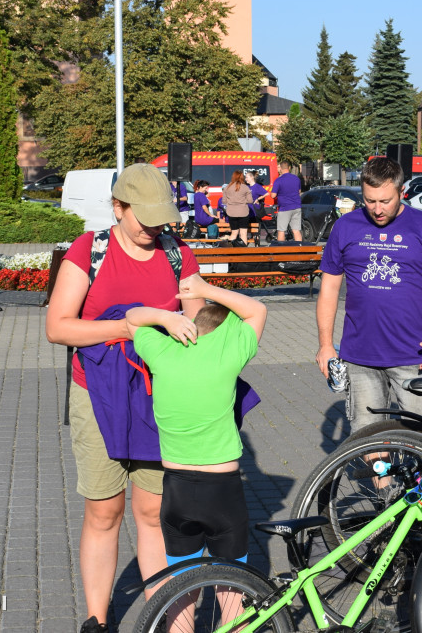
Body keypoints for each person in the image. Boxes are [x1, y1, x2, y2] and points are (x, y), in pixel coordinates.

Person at [45, 163, 204, 633]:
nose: (154, 228)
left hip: (159, 396)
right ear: (118, 207)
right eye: (144, 218)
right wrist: (128, 326)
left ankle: (162, 619)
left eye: (161, 219)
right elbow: (59, 327)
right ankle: (96, 619)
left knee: (154, 511)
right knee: (104, 509)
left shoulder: (177, 254)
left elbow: (198, 326)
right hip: (98, 396)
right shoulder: (89, 250)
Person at [127, 274, 266, 575]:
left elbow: (132, 318)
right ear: (225, 332)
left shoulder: (163, 353)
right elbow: (257, 310)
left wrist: (166, 318)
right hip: (222, 490)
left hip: (175, 488)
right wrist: (205, 289)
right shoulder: (228, 353)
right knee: (231, 587)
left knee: (180, 585)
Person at [315, 157, 422, 433]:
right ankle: (382, 479)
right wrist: (325, 344)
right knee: (368, 436)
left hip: (413, 355)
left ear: (401, 192)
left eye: (385, 201)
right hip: (359, 356)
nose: (377, 210)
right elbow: (330, 289)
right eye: (370, 201)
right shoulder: (346, 227)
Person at [271, 161, 303, 241]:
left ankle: (281, 251)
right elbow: (299, 192)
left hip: (285, 208)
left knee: (281, 230)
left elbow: (273, 195)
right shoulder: (296, 178)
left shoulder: (278, 180)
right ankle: (299, 250)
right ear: (289, 168)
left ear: (280, 169)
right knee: (296, 230)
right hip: (296, 207)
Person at [222, 170, 254, 245]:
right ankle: (243, 252)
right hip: (243, 213)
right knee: (243, 233)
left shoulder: (227, 187)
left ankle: (230, 251)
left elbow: (224, 201)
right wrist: (242, 200)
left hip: (231, 213)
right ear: (242, 177)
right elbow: (250, 200)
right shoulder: (245, 187)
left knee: (234, 233)